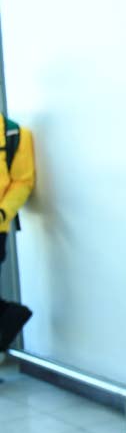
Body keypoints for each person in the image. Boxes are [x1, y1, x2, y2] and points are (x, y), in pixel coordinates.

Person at [0, 116, 35, 352]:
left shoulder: (14, 135)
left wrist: (3, 213)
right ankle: (11, 317)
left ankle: (11, 317)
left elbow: (23, 181)